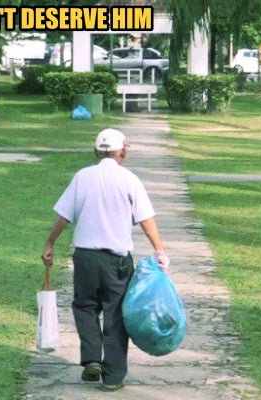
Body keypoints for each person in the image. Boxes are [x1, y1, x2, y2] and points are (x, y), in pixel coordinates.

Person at [41, 128, 170, 392]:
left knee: (85, 307)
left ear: (97, 150)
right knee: (115, 314)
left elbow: (64, 217)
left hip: (86, 258)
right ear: (121, 150)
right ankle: (112, 377)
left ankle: (91, 359)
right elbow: (146, 220)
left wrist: (50, 243)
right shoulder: (129, 180)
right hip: (117, 261)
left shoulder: (82, 177)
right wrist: (160, 250)